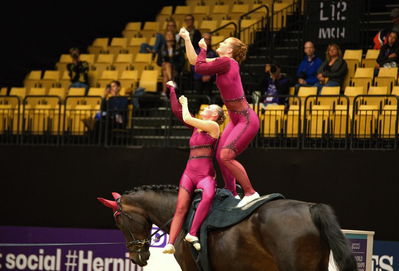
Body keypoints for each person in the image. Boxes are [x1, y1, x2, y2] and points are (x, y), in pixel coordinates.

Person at [179, 27, 260, 207]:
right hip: (236, 119)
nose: (221, 43)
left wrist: (203, 49)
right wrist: (186, 38)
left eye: (224, 43)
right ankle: (232, 193)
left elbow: (199, 68)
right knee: (220, 154)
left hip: (246, 119)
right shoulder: (222, 61)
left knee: (226, 156)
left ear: (230, 50)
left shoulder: (228, 62)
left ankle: (250, 192)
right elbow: (194, 62)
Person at [162, 81, 225, 254]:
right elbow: (178, 113)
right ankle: (171, 243)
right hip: (189, 173)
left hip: (205, 175)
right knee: (181, 207)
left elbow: (187, 117)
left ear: (215, 115)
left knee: (209, 195)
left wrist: (186, 104)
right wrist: (173, 91)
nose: (205, 108)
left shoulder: (214, 127)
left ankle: (192, 233)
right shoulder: (197, 128)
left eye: (209, 108)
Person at [157, 31, 185, 96]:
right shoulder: (162, 48)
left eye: (171, 35)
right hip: (165, 68)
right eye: (168, 35)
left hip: (175, 69)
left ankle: (164, 93)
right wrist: (162, 63)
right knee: (166, 66)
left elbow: (182, 61)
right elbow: (158, 62)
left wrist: (171, 50)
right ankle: (172, 82)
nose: (169, 36)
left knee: (165, 72)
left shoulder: (178, 48)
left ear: (173, 37)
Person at [192, 33, 217, 97]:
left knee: (208, 94)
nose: (207, 41)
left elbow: (215, 67)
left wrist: (209, 76)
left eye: (208, 39)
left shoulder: (213, 53)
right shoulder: (196, 52)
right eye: (205, 39)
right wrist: (201, 76)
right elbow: (193, 66)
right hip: (199, 77)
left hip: (210, 78)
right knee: (198, 96)